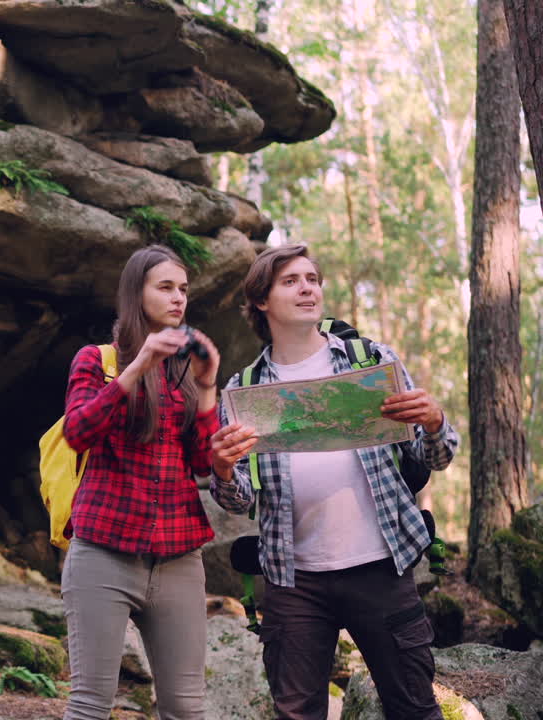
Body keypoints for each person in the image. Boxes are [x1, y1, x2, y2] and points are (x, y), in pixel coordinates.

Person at [209, 244, 459, 720]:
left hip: (383, 568)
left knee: (414, 708)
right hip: (293, 579)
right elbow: (239, 500)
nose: (308, 288)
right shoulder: (244, 390)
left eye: (313, 279)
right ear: (261, 301)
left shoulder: (371, 362)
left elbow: (436, 457)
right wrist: (222, 470)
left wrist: (433, 421)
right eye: (291, 281)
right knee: (296, 713)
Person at [60, 244, 222, 720]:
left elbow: (203, 464)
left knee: (186, 708)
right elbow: (78, 432)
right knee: (90, 705)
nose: (179, 299)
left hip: (178, 559)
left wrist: (209, 386)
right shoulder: (97, 359)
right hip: (102, 553)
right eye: (165, 287)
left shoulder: (187, 373)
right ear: (137, 293)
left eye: (184, 290)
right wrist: (137, 368)